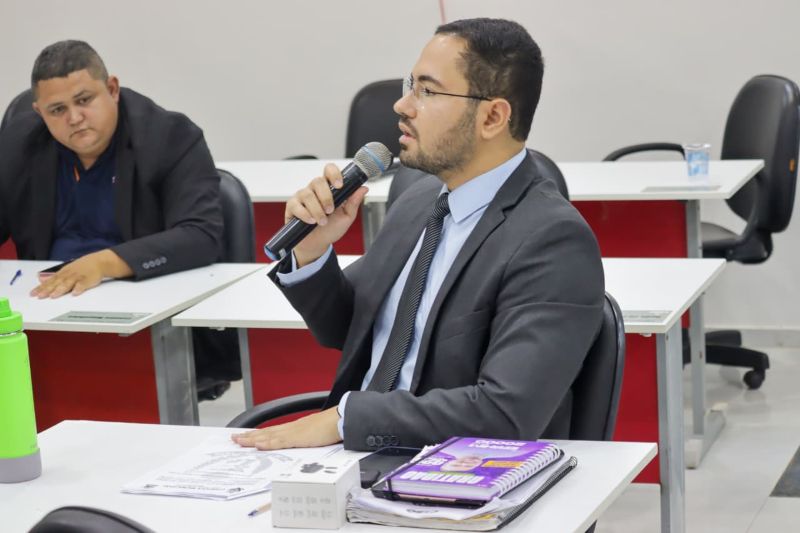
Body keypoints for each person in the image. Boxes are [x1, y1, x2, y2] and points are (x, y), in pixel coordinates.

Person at [233, 18, 604, 451]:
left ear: (492, 117)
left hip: (447, 465)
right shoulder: (420, 199)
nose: (402, 105)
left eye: (427, 91)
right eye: (411, 85)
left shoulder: (553, 240)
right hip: (358, 451)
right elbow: (352, 328)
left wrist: (345, 420)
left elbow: (504, 412)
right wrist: (314, 248)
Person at [0, 40, 238, 396]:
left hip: (145, 322)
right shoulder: (18, 144)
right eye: (57, 110)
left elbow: (200, 236)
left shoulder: (170, 137)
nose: (74, 118)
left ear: (112, 89)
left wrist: (104, 264)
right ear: (39, 112)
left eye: (84, 100)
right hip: (45, 317)